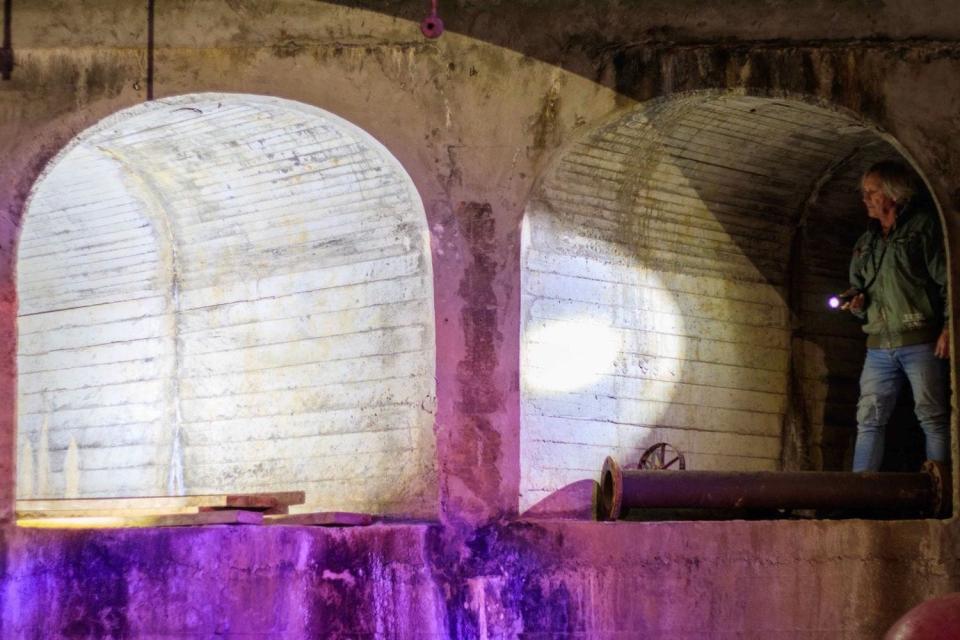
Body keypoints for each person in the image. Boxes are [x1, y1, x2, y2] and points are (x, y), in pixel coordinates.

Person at [843, 160, 949, 472]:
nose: (865, 199)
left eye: (871, 192)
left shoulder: (923, 228)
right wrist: (856, 303)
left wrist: (948, 328)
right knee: (869, 419)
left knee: (932, 416)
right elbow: (857, 287)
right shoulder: (866, 242)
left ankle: (940, 494)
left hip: (920, 340)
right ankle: (860, 495)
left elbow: (947, 281)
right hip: (878, 345)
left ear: (893, 194)